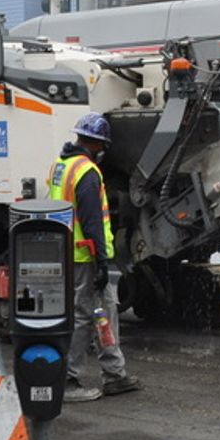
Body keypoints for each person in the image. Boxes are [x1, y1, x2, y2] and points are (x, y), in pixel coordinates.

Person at [48, 112, 140, 400]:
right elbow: (92, 221)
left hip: (68, 251)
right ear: (98, 144)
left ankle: (114, 373)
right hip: (84, 255)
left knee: (104, 311)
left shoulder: (61, 166)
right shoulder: (87, 173)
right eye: (103, 146)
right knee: (85, 316)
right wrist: (101, 261)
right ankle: (68, 380)